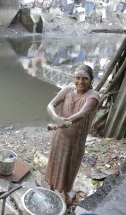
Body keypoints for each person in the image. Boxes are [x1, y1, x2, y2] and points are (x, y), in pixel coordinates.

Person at [45, 64, 100, 205]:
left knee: (70, 166)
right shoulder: (67, 90)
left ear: (92, 79)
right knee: (55, 161)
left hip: (76, 140)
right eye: (77, 78)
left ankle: (65, 191)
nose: (80, 82)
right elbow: (50, 105)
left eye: (85, 79)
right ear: (74, 78)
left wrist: (61, 123)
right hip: (60, 136)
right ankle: (50, 187)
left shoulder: (93, 96)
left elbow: (82, 114)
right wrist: (56, 119)